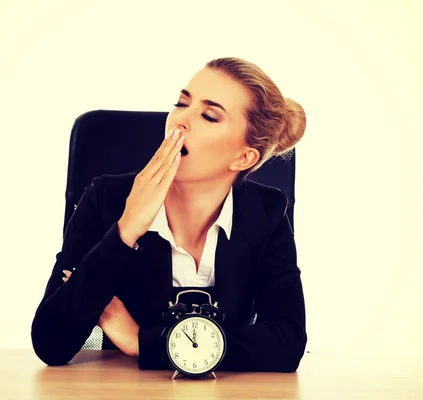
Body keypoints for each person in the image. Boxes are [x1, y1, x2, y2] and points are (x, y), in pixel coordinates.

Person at [31, 57, 308, 372]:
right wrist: (126, 230)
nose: (180, 120)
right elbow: (50, 343)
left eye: (208, 115)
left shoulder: (267, 212)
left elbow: (287, 345)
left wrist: (142, 342)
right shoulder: (107, 199)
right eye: (181, 103)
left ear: (242, 157)